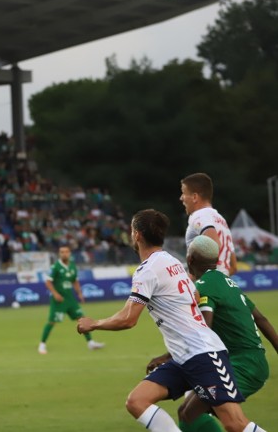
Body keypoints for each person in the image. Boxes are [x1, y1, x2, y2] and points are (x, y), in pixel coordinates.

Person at [77, 209, 267, 432]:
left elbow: (128, 319)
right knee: (137, 401)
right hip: (184, 357)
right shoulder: (172, 261)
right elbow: (194, 296)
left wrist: (94, 324)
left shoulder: (147, 269)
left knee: (234, 424)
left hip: (205, 355)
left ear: (137, 235)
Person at [146, 235, 278, 432]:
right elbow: (261, 320)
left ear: (190, 260)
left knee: (195, 415)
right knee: (190, 413)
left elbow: (202, 330)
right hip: (249, 361)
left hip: (243, 365)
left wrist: (167, 357)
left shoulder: (204, 286)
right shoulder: (227, 282)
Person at [38, 246, 104, 354]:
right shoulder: (55, 267)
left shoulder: (73, 266)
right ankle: (42, 345)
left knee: (82, 319)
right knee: (52, 321)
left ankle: (90, 343)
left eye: (66, 252)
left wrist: (79, 293)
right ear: (59, 254)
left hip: (70, 299)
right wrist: (55, 294)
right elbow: (48, 282)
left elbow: (75, 281)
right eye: (62, 252)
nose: (64, 254)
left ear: (70, 253)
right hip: (59, 300)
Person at [180, 173, 237, 276]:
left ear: (194, 197)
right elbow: (234, 267)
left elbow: (214, 245)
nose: (181, 198)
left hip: (206, 289)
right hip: (223, 286)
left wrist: (194, 281)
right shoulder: (221, 220)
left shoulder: (199, 216)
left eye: (183, 193)